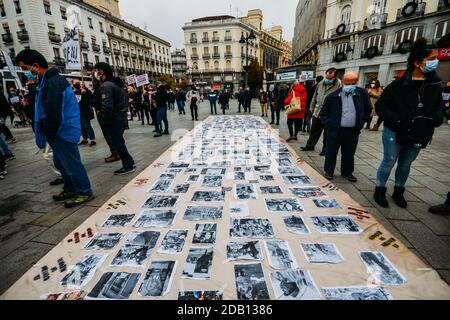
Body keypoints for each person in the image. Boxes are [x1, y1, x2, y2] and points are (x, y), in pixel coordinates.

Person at [16, 49, 94, 208]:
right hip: (58, 132)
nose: (25, 73)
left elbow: (53, 113)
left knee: (72, 164)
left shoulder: (53, 83)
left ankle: (84, 192)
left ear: (36, 66)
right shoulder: (47, 81)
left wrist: (49, 133)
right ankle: (70, 188)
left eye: (25, 69)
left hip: (62, 131)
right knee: (61, 163)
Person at [373, 38, 444, 209]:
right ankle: (379, 190)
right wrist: (397, 119)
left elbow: (437, 107)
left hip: (419, 131)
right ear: (418, 63)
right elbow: (381, 106)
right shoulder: (398, 84)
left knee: (406, 163)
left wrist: (435, 119)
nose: (436, 62)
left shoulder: (434, 83)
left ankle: (399, 190)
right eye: (432, 59)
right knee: (389, 160)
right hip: (395, 131)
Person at [320, 71, 371, 182]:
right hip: (335, 130)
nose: (350, 85)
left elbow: (368, 109)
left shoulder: (362, 94)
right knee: (331, 152)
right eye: (347, 83)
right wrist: (330, 124)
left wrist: (362, 122)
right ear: (342, 82)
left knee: (349, 153)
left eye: (353, 83)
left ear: (356, 82)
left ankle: (347, 172)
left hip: (352, 131)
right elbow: (323, 114)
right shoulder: (332, 96)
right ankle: (329, 171)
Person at [94, 62, 136, 175]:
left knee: (118, 143)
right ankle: (130, 161)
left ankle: (128, 166)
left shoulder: (106, 85)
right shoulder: (116, 83)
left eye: (97, 71)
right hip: (121, 117)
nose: (96, 74)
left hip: (114, 118)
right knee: (119, 142)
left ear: (102, 72)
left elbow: (107, 106)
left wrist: (104, 119)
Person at [301, 68, 342, 155]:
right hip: (317, 112)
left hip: (329, 114)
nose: (327, 78)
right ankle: (310, 146)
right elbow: (314, 96)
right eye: (326, 75)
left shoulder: (339, 85)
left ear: (335, 76)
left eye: (330, 76)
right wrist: (311, 107)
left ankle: (325, 150)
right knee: (314, 130)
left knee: (327, 133)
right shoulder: (321, 83)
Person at [74, 81, 96, 146]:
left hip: (85, 112)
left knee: (87, 126)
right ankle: (85, 139)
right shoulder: (74, 93)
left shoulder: (84, 92)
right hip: (78, 113)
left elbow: (89, 97)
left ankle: (92, 139)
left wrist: (85, 90)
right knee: (82, 127)